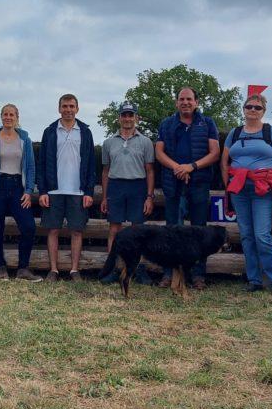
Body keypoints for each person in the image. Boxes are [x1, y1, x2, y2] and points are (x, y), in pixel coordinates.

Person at [220, 93, 272, 294]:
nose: (253, 110)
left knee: (262, 235)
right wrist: (229, 185)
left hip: (264, 190)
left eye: (257, 107)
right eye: (249, 106)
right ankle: (254, 280)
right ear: (243, 109)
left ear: (263, 111)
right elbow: (224, 162)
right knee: (246, 235)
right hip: (240, 190)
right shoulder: (234, 133)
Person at [155, 87, 220, 290]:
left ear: (196, 102)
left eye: (189, 99)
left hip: (199, 183)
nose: (185, 102)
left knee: (199, 230)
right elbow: (159, 152)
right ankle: (169, 274)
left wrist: (191, 167)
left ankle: (198, 275)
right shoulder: (166, 124)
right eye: (181, 99)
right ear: (176, 103)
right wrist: (177, 167)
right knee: (171, 230)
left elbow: (215, 153)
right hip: (173, 183)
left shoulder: (207, 123)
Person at [36, 94, 96, 282]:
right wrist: (43, 191)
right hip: (54, 191)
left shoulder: (85, 132)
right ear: (59, 108)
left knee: (76, 231)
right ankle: (53, 270)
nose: (68, 109)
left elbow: (91, 164)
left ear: (77, 109)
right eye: (65, 106)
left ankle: (74, 270)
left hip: (77, 191)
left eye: (71, 106)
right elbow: (42, 163)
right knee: (53, 230)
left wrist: (88, 192)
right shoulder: (50, 131)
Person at [0, 104, 41, 281]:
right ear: (1, 116)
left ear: (17, 117)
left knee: (28, 227)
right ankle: (0, 268)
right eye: (5, 114)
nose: (8, 117)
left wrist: (29, 190)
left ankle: (23, 269)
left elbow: (30, 167)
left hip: (17, 188)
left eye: (11, 114)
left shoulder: (24, 139)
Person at [98, 102, 156, 285]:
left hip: (137, 186)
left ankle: (138, 270)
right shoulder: (108, 142)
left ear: (136, 118)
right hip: (116, 186)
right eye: (124, 115)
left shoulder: (146, 142)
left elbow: (150, 171)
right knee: (114, 229)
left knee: (138, 230)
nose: (127, 118)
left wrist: (149, 196)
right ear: (119, 117)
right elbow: (105, 171)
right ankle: (112, 269)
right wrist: (105, 197)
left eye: (131, 115)